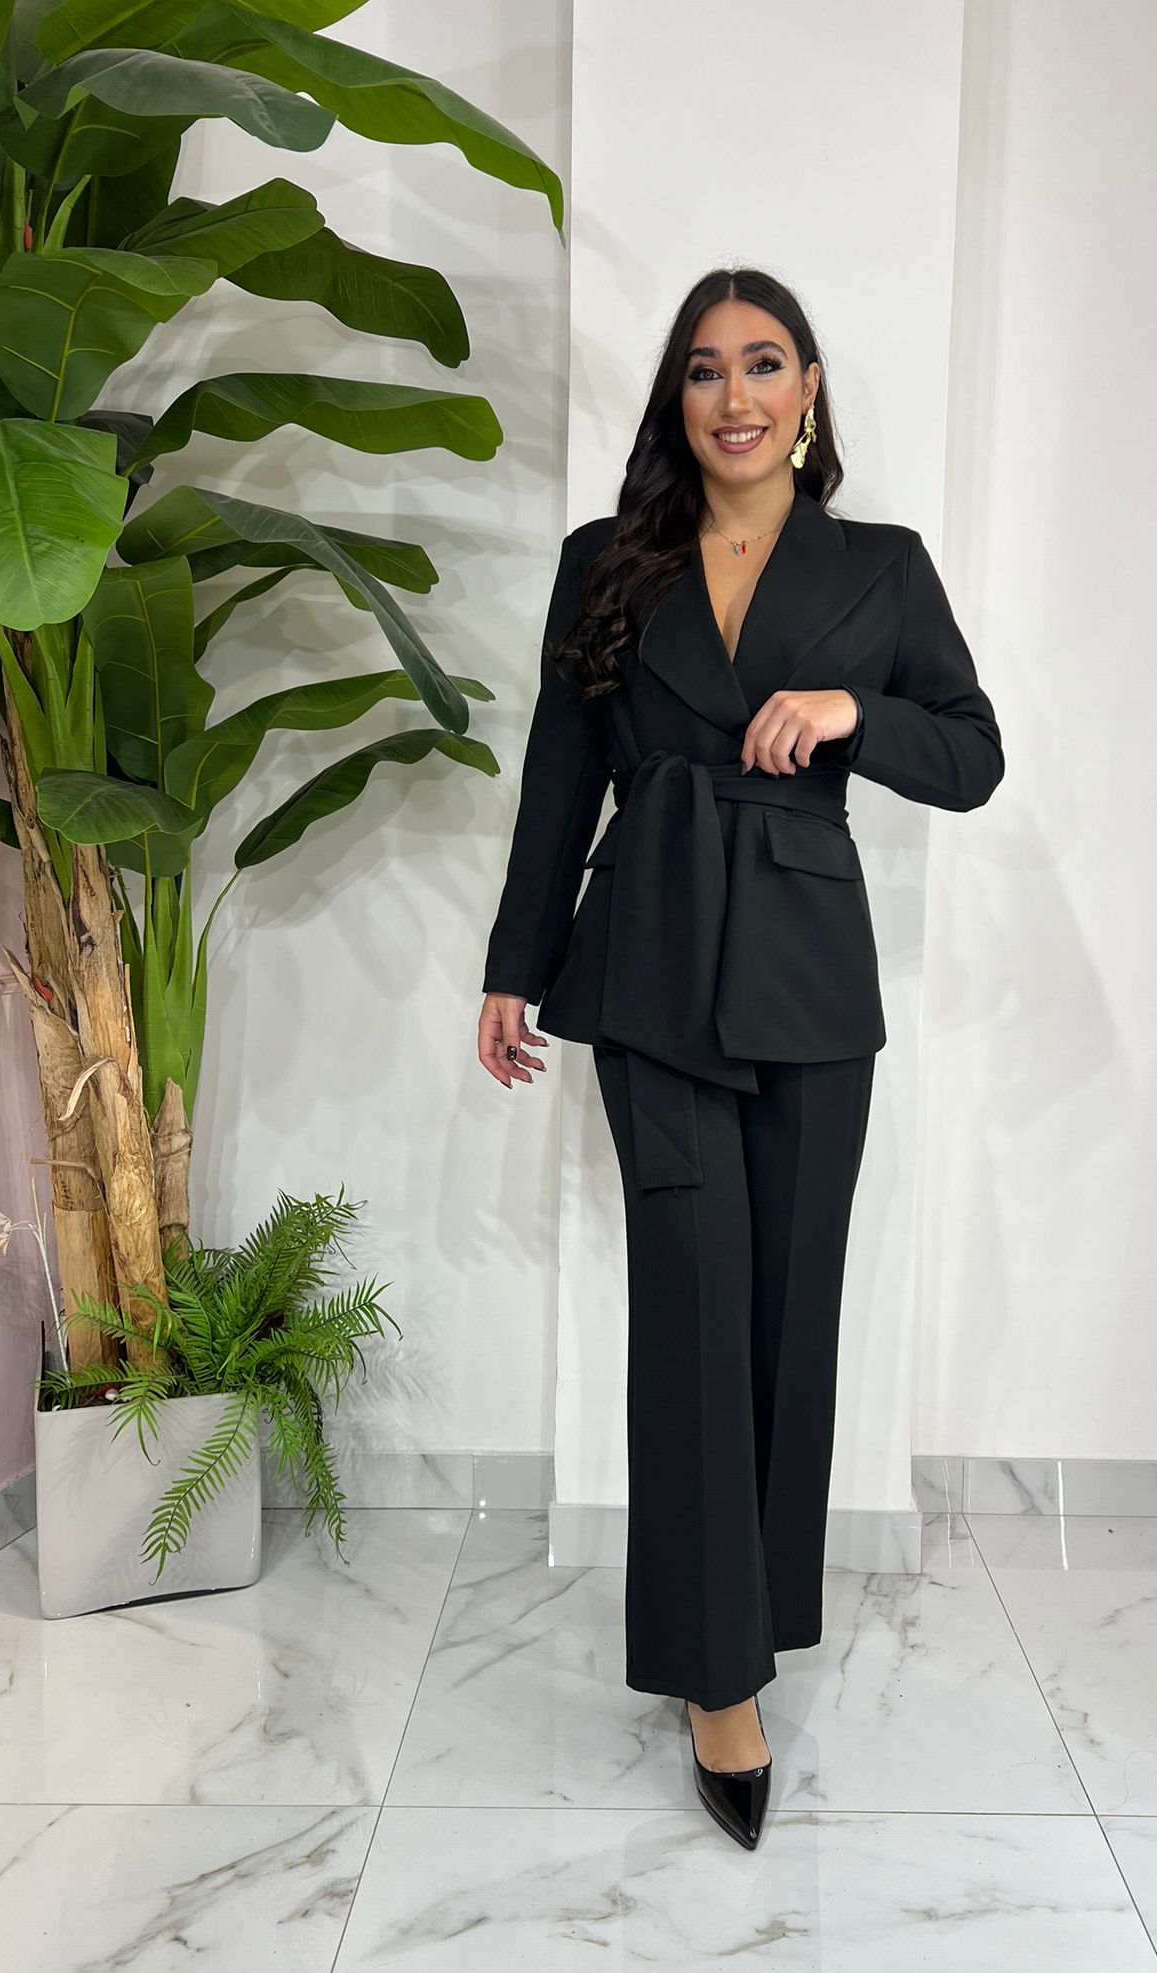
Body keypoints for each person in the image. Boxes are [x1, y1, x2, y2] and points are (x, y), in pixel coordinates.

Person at [477, 268, 1004, 1848]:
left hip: (809, 981)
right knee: (694, 1312)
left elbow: (974, 755)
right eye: (705, 370)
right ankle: (719, 1682)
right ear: (678, 399)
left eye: (765, 364)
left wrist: (851, 713)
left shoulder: (881, 567)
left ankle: (758, 1613)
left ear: (810, 391)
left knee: (787, 1318)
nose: (736, 396)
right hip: (648, 965)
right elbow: (559, 773)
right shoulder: (605, 562)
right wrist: (514, 967)